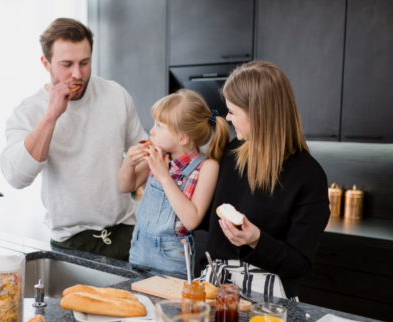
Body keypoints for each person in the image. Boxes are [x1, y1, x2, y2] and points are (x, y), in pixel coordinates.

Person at [0, 18, 147, 260]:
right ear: (46, 63)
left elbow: (142, 152)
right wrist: (51, 116)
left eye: (84, 63)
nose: (77, 74)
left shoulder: (116, 95)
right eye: (67, 65)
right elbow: (16, 177)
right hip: (71, 241)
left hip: (127, 232)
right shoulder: (29, 111)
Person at [204, 61, 330, 299]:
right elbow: (206, 223)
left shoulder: (309, 176)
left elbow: (299, 264)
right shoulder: (232, 153)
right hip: (217, 289)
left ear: (258, 114)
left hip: (268, 301)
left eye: (233, 111)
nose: (228, 118)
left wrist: (256, 240)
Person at [118, 89, 229, 276]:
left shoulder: (207, 167)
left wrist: (164, 177)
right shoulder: (159, 156)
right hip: (139, 247)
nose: (152, 131)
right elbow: (124, 186)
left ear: (182, 138)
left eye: (159, 126)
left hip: (172, 256)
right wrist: (128, 162)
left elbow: (191, 220)